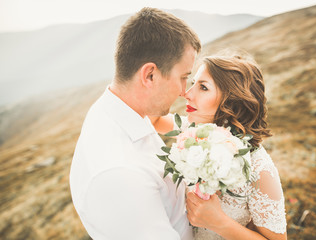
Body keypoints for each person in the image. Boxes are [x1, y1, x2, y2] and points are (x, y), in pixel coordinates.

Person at [69, 8, 201, 239]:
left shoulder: (123, 109)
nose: (184, 91)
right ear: (150, 75)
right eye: (183, 77)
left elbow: (158, 122)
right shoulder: (119, 174)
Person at [151, 55, 287, 240]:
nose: (187, 94)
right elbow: (152, 118)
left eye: (203, 87)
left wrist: (219, 222)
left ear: (231, 101)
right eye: (193, 83)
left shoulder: (259, 168)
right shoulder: (194, 133)